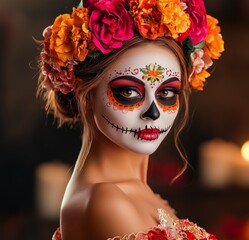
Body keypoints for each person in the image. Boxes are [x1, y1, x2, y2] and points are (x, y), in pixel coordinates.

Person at [37, 0, 224, 239]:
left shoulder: (138, 191)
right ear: (85, 95)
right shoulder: (104, 201)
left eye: (167, 93)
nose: (153, 113)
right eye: (129, 92)